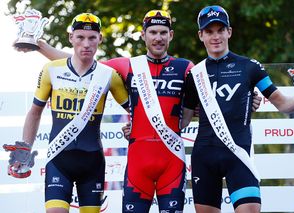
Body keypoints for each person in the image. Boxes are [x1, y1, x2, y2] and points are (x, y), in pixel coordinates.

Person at [15, 9, 262, 213]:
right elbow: (81, 58)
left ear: (171, 35)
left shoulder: (186, 68)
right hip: (138, 163)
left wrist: (249, 99)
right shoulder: (127, 65)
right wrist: (37, 45)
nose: (158, 38)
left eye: (163, 32)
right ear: (143, 35)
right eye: (152, 32)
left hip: (172, 161)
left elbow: (215, 94)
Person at [181, 5, 294, 213]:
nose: (215, 36)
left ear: (229, 32)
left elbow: (282, 103)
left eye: (220, 30)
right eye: (209, 31)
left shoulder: (250, 67)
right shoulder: (194, 74)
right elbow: (183, 120)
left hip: (238, 155)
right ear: (201, 35)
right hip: (204, 157)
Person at [8, 13, 128, 213]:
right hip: (59, 159)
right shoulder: (52, 70)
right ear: (71, 38)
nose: (86, 44)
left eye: (92, 38)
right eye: (80, 37)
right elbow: (35, 112)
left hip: (93, 162)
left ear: (100, 39)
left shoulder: (108, 76)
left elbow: (136, 110)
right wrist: (24, 148)